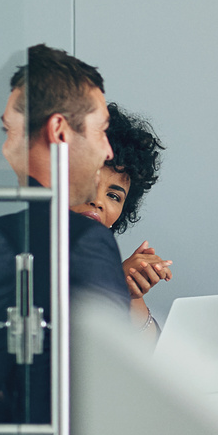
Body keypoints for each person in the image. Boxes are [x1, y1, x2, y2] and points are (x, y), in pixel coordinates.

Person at [0, 44, 130, 435]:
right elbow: (104, 401)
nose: (108, 151)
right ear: (62, 131)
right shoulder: (82, 242)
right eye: (103, 130)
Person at [72, 102, 171, 340]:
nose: (98, 201)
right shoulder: (24, 256)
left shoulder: (103, 268)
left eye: (113, 196)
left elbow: (150, 355)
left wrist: (131, 294)